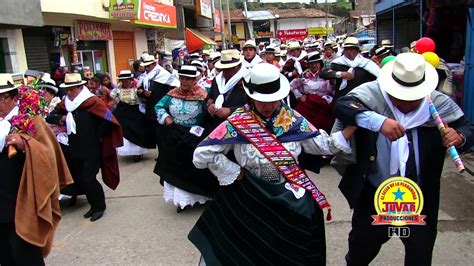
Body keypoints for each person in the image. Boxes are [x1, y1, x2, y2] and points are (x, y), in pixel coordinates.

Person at [189, 63, 355, 265]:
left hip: (287, 195)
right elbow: (201, 154)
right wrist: (231, 169)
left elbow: (325, 147)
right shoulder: (238, 123)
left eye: (272, 100)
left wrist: (354, 125)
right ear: (251, 97)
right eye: (261, 101)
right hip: (249, 194)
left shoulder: (293, 120)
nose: (267, 106)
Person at [332, 53, 474, 265]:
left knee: (420, 253)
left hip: (420, 196)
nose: (405, 104)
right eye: (399, 97)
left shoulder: (437, 103)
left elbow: (468, 127)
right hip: (374, 192)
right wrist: (377, 121)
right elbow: (343, 106)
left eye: (412, 98)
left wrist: (459, 136)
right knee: (361, 250)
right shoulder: (373, 95)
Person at [0, 74, 73, 264]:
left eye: (1, 98)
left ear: (15, 97)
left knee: (24, 250)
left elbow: (49, 156)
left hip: (24, 199)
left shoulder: (31, 120)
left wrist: (26, 145)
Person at [48, 73, 123, 222]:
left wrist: (98, 135)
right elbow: (50, 116)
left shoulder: (93, 102)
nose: (69, 93)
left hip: (91, 148)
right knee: (80, 178)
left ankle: (99, 206)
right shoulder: (65, 104)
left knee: (89, 178)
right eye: (67, 89)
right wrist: (63, 119)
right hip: (73, 147)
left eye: (72, 89)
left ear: (80, 87)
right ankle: (93, 205)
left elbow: (109, 118)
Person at [154, 65, 218, 212]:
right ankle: (182, 200)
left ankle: (201, 196)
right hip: (174, 133)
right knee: (176, 167)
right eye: (182, 78)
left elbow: (209, 114)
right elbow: (159, 107)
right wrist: (166, 117)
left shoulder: (203, 95)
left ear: (195, 80)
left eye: (188, 79)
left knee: (195, 166)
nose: (184, 81)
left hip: (194, 136)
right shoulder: (171, 94)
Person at [111, 70, 154, 162]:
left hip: (135, 112)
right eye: (123, 81)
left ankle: (137, 152)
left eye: (127, 80)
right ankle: (128, 151)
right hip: (123, 112)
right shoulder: (118, 89)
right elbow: (114, 98)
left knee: (137, 130)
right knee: (124, 131)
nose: (125, 82)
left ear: (130, 79)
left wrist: (143, 94)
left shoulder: (137, 87)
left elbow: (143, 97)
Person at [290, 52, 335, 134]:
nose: (314, 65)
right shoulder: (304, 75)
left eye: (316, 63)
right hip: (308, 104)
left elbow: (330, 90)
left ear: (320, 63)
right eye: (312, 63)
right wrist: (300, 96)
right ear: (309, 65)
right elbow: (292, 86)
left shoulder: (326, 75)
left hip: (323, 105)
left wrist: (331, 82)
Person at [205, 50, 248, 131]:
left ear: (238, 67)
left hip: (239, 127)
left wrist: (231, 111)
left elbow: (253, 106)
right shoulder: (217, 80)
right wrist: (210, 105)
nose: (225, 72)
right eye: (223, 69)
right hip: (217, 126)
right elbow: (210, 97)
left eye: (228, 69)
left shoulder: (248, 80)